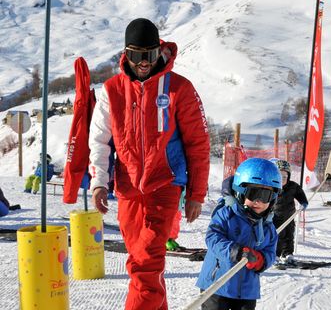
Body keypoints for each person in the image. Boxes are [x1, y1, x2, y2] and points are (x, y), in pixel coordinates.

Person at [88, 18, 210, 310]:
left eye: (150, 55)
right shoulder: (112, 90)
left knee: (145, 264)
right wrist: (99, 182)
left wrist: (196, 194)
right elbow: (100, 141)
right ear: (125, 54)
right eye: (136, 55)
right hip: (128, 189)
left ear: (160, 51)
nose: (143, 63)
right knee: (143, 263)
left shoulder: (179, 88)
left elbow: (198, 144)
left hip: (165, 185)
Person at [197, 158, 281, 310]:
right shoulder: (226, 214)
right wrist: (235, 251)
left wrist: (261, 261)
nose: (258, 201)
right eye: (253, 193)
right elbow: (212, 237)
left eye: (265, 196)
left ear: (273, 198)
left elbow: (270, 252)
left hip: (247, 291)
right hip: (217, 285)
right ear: (240, 192)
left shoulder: (268, 227)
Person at [271, 158, 308, 263]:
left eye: (285, 176)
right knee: (278, 236)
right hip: (276, 218)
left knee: (289, 235)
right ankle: (276, 255)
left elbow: (300, 194)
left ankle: (288, 254)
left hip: (290, 216)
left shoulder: (293, 186)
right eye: (280, 176)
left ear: (289, 176)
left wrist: (303, 203)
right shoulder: (272, 187)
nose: (282, 179)